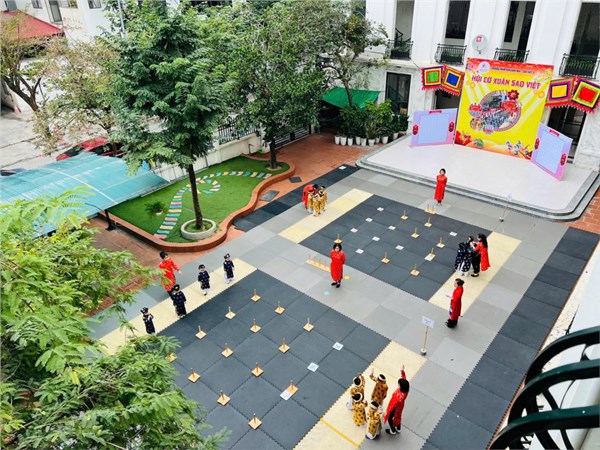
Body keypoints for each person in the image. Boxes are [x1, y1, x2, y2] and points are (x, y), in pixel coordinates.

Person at [384, 365, 409, 435]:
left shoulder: (398, 396)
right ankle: (398, 428)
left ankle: (393, 430)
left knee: (390, 418)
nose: (398, 384)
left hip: (396, 407)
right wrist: (402, 371)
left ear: (401, 386)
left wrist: (387, 412)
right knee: (398, 417)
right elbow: (404, 378)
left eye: (399, 384)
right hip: (401, 406)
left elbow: (392, 404)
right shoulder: (406, 390)